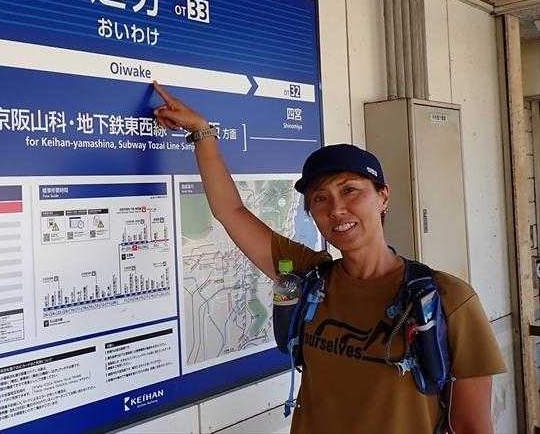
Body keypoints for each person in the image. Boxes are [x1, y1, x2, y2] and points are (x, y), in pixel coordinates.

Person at [151, 81, 506, 434]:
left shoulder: (447, 300)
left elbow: (472, 426)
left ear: (383, 197)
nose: (336, 209)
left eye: (350, 190)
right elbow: (231, 212)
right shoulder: (310, 277)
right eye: (320, 199)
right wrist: (202, 132)